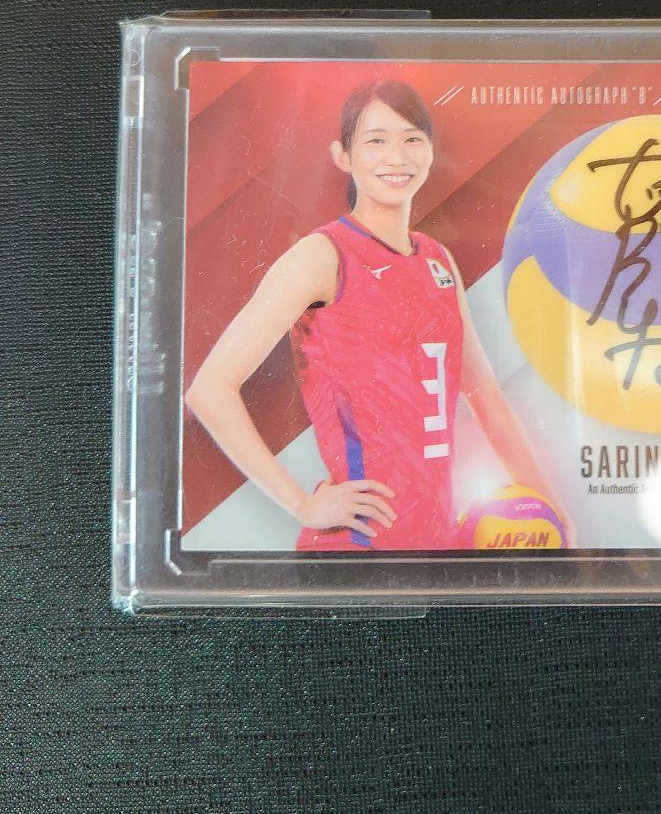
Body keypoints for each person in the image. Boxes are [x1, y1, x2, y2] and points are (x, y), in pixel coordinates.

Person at [185, 79, 563, 550]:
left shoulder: (438, 261)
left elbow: (487, 398)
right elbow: (210, 390)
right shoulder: (322, 256)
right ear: (343, 156)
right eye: (376, 141)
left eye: (412, 139)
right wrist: (302, 504)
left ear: (430, 152)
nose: (396, 157)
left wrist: (555, 517)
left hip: (438, 546)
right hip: (355, 551)